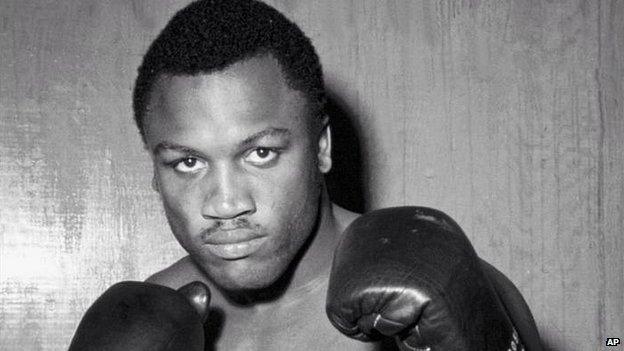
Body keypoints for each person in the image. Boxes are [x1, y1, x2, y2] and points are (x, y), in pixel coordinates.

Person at [118, 0, 542, 350]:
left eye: (261, 153)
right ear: (155, 170)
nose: (226, 204)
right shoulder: (151, 318)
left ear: (322, 147)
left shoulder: (444, 293)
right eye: (188, 163)